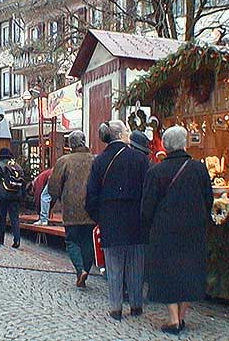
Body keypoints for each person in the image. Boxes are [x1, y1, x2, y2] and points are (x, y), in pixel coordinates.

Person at [141, 125, 213, 335]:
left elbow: (147, 206)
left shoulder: (156, 171)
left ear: (165, 145)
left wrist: (148, 226)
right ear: (185, 144)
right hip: (193, 229)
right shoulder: (199, 168)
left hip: (165, 231)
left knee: (168, 273)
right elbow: (208, 199)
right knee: (189, 272)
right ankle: (181, 317)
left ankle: (173, 319)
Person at [85, 120, 149, 322]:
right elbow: (148, 190)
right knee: (136, 264)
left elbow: (91, 196)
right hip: (136, 219)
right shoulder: (139, 159)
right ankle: (137, 305)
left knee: (114, 266)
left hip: (110, 220)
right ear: (121, 135)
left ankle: (115, 307)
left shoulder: (100, 161)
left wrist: (101, 217)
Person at [48, 130, 96, 288]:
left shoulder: (64, 161)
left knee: (72, 240)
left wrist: (55, 201)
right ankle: (86, 271)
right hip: (91, 207)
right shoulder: (94, 159)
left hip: (71, 209)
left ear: (70, 144)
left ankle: (80, 270)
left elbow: (53, 186)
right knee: (88, 242)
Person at [0, 147, 25, 248]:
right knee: (15, 218)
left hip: (2, 196)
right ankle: (17, 240)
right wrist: (22, 196)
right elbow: (23, 182)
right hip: (15, 195)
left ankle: (1, 240)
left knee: (2, 218)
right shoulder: (17, 166)